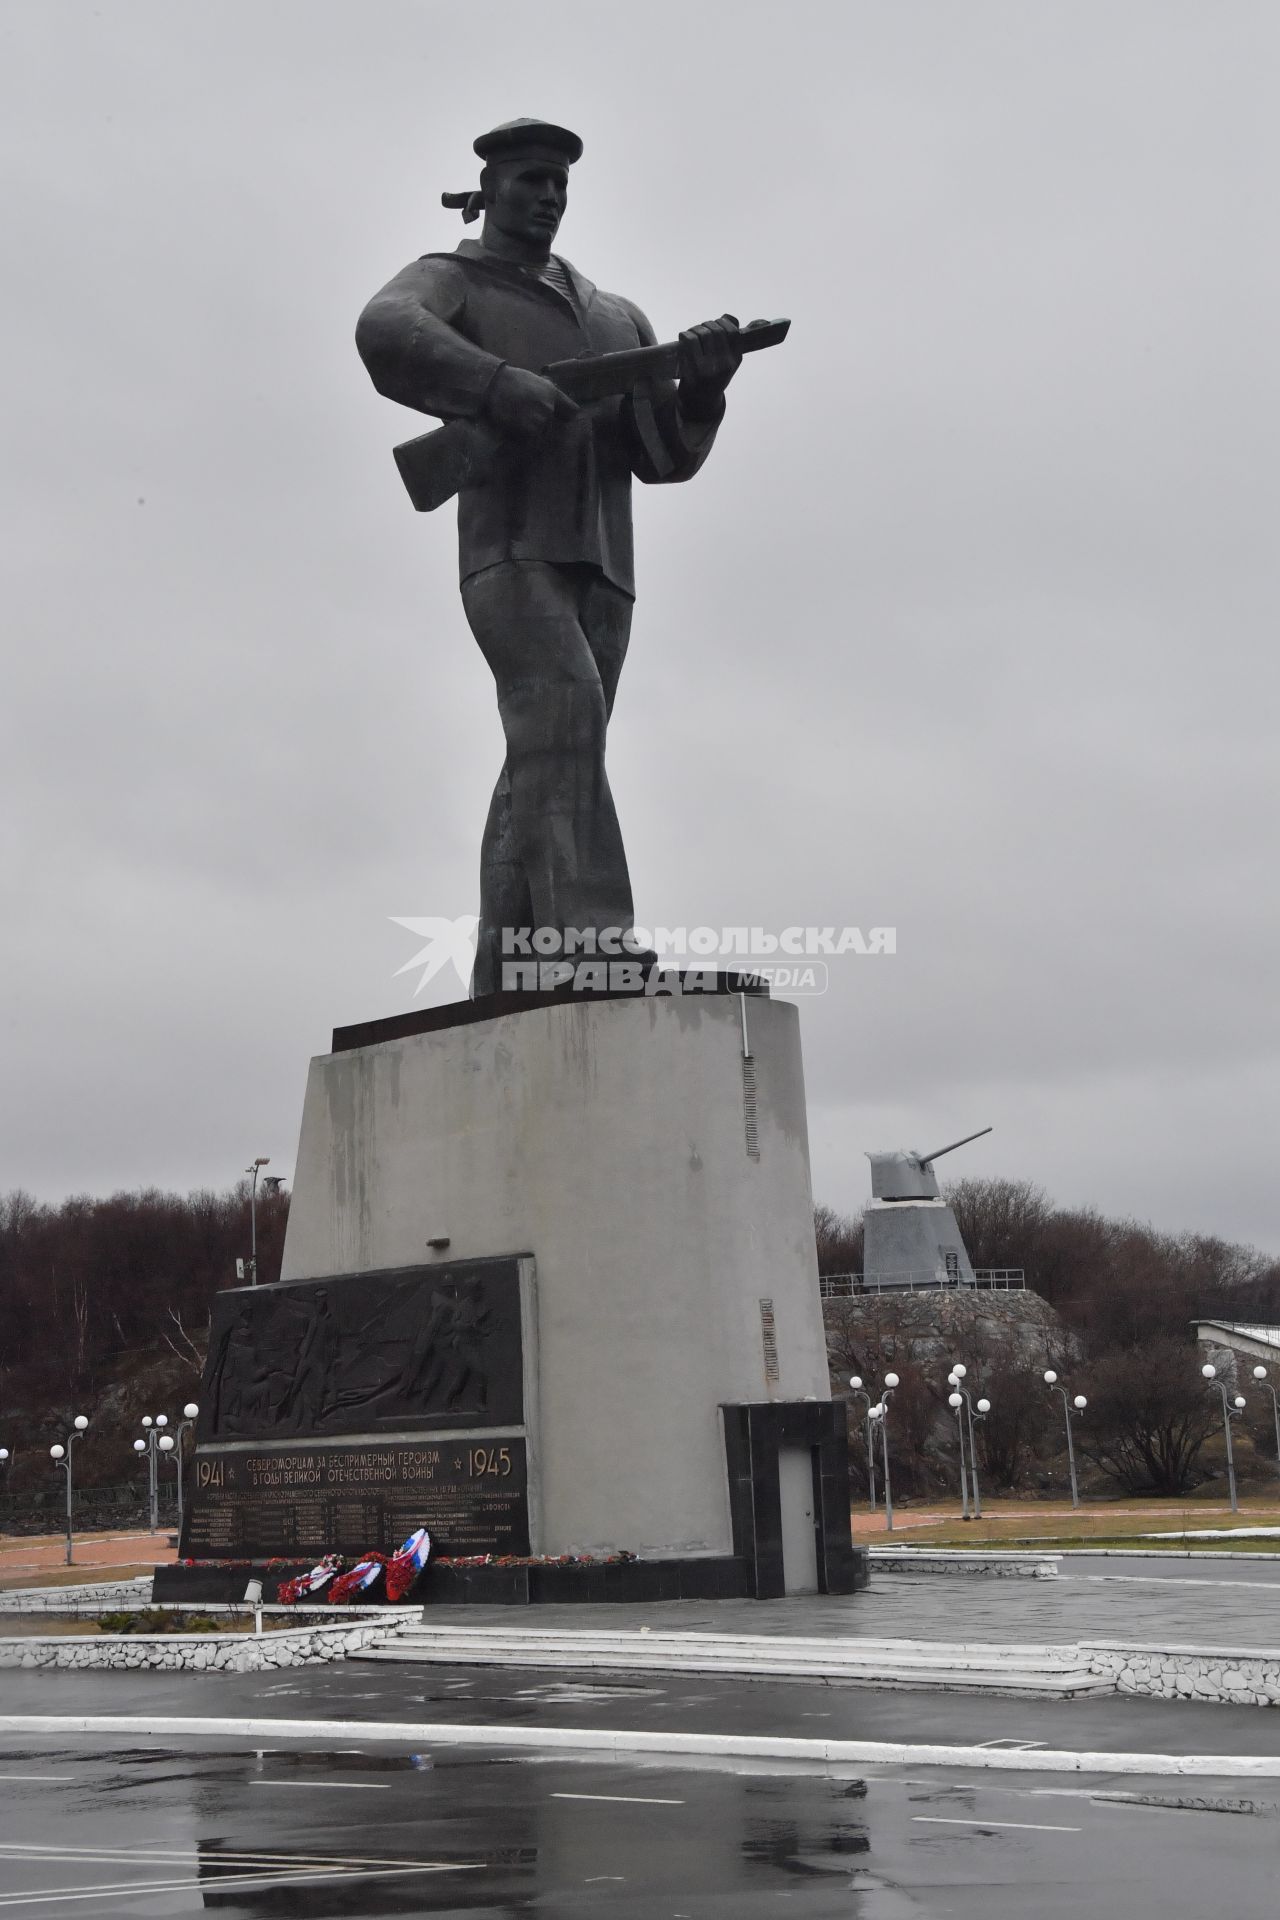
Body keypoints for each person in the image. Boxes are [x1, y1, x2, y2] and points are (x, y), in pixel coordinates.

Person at [356, 118, 742, 994]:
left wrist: (705, 391)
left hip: (605, 566)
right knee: (564, 715)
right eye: (532, 179)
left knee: (555, 752)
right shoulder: (451, 280)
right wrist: (494, 383)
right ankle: (591, 949)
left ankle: (508, 972)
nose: (549, 196)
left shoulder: (616, 317)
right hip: (510, 552)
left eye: (560, 184)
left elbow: (661, 458)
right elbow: (385, 328)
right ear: (487, 190)